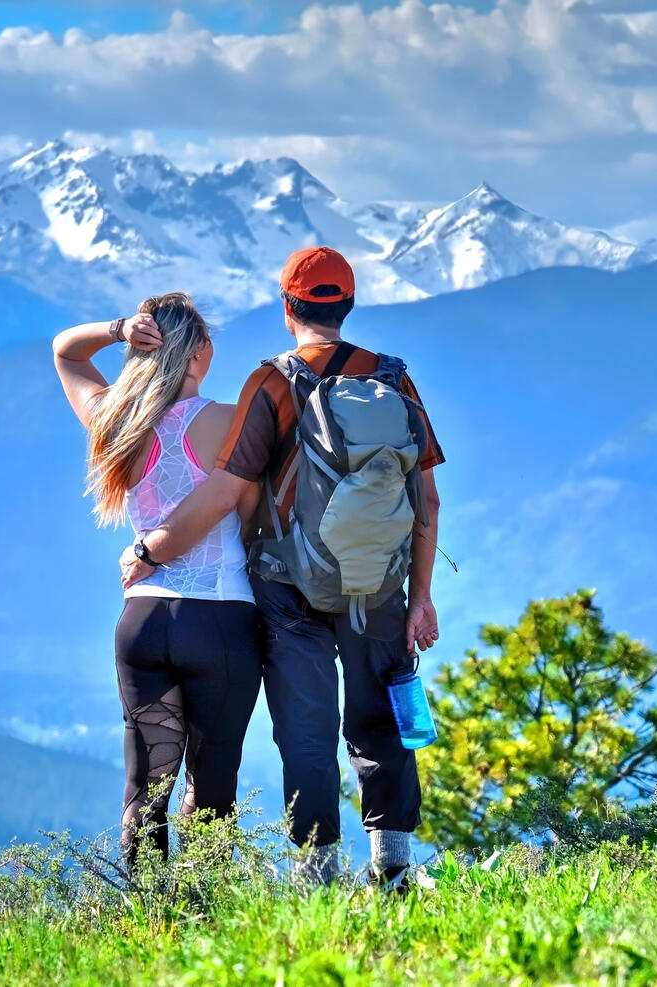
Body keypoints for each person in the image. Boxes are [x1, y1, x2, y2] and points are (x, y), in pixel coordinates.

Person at [121, 248, 445, 888]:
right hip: (377, 582)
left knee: (306, 725)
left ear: (288, 307)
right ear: (347, 305)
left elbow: (227, 489)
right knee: (380, 714)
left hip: (287, 585)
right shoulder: (395, 381)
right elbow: (426, 497)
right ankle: (394, 870)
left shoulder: (271, 382)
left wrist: (150, 551)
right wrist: (420, 599)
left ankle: (316, 871)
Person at [52, 293, 262, 866]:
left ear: (142, 351)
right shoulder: (226, 420)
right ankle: (205, 920)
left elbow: (66, 353)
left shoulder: (113, 420)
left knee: (145, 791)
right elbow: (251, 513)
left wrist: (118, 329)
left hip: (142, 621)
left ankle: (150, 920)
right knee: (212, 790)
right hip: (219, 617)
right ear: (201, 353)